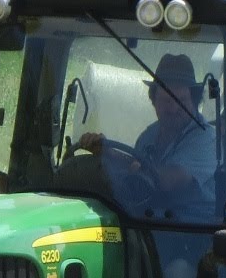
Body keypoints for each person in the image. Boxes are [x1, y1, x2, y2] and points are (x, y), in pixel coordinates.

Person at [76, 53, 217, 215]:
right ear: (154, 101)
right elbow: (135, 173)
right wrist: (106, 153)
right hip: (148, 220)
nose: (173, 108)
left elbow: (170, 180)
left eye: (182, 101)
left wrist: (122, 161)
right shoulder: (148, 136)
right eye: (166, 100)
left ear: (194, 101)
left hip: (193, 225)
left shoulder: (206, 139)